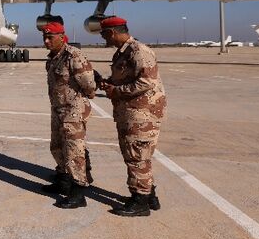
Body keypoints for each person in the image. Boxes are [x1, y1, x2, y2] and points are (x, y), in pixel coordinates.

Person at [97, 16, 166, 217]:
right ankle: (149, 195)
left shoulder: (138, 51)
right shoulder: (124, 52)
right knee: (138, 155)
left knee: (137, 157)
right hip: (132, 112)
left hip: (142, 114)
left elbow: (146, 82)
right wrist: (109, 83)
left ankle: (140, 202)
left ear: (112, 33)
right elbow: (127, 78)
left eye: (103, 34)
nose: (103, 38)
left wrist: (116, 91)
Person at [40, 21, 97, 208]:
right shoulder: (53, 57)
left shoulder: (73, 56)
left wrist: (77, 101)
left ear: (61, 36)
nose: (46, 41)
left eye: (50, 37)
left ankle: (78, 192)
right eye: (45, 37)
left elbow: (89, 85)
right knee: (57, 147)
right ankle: (63, 181)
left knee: (74, 151)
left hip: (73, 111)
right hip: (58, 110)